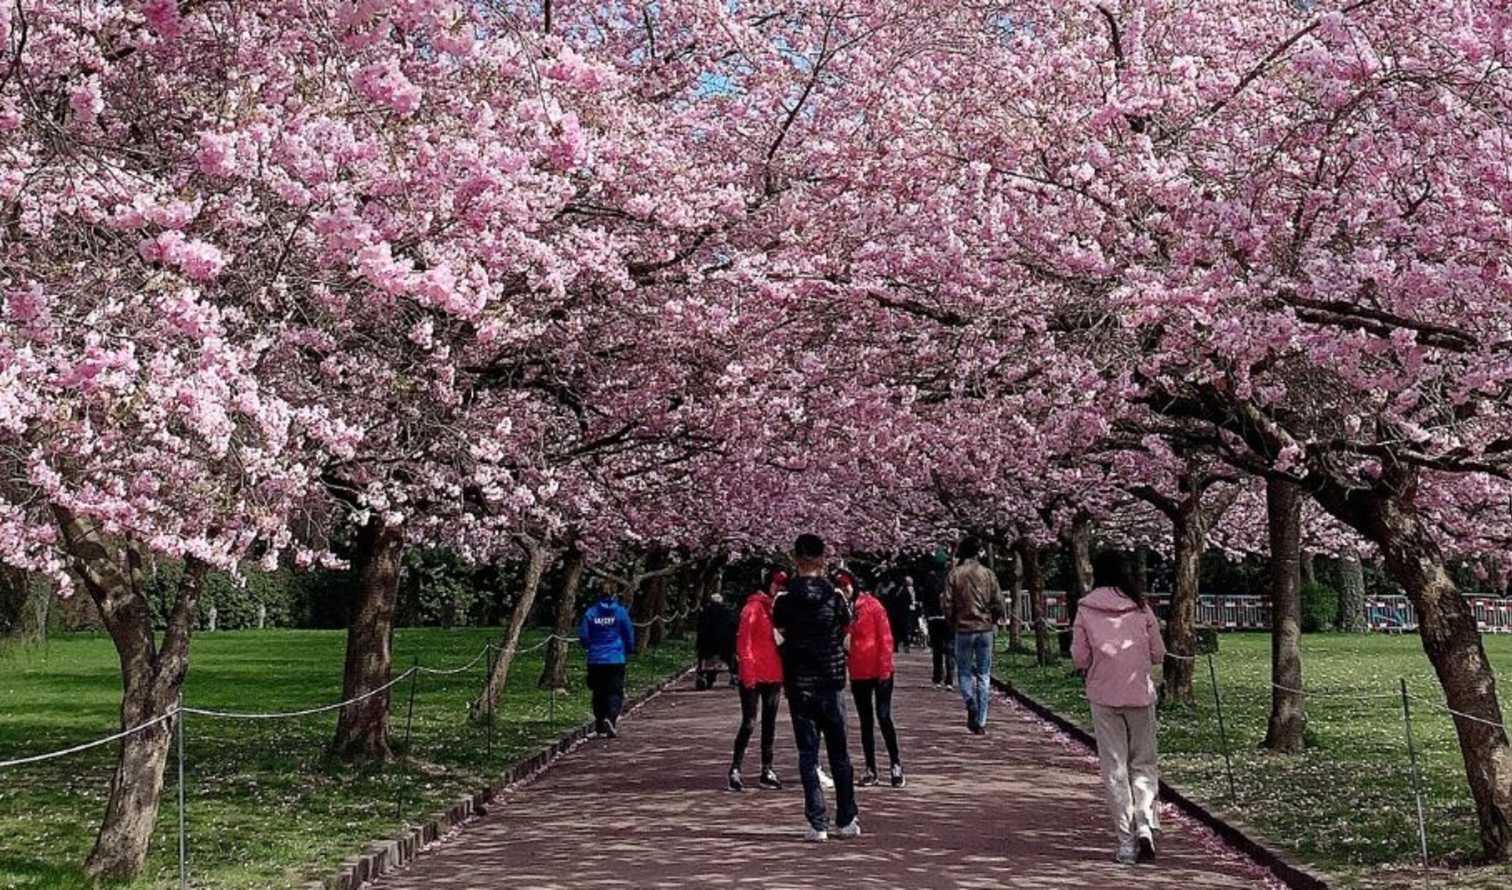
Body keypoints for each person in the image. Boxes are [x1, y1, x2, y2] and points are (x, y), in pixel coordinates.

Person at [1073, 550, 1167, 866]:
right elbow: (1158, 653)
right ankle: (1145, 824)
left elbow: (1079, 658)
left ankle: (1126, 842)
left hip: (1103, 695)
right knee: (1144, 763)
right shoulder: (1141, 607)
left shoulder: (1085, 608)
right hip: (1140, 693)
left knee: (1114, 768)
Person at [772, 533, 860, 842]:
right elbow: (848, 634)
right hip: (831, 680)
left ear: (796, 559)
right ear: (823, 560)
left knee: (808, 753)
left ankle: (816, 823)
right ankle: (847, 819)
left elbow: (778, 636)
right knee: (840, 753)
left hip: (799, 682)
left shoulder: (783, 598)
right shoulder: (836, 596)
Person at [840, 572, 905, 788]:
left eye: (846, 586)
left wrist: (885, 668)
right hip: (859, 672)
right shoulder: (844, 610)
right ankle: (871, 768)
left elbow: (885, 638)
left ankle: (895, 764)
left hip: (879, 671)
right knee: (865, 721)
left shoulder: (873, 606)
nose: (844, 590)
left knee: (884, 717)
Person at [729, 569, 786, 792]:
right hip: (753, 673)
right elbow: (743, 643)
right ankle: (736, 767)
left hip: (774, 674)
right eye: (776, 584)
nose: (779, 588)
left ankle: (767, 768)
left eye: (782, 585)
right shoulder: (752, 608)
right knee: (749, 721)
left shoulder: (779, 609)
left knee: (770, 723)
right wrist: (747, 673)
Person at [945, 536, 1005, 734]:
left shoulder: (954, 575)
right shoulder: (988, 574)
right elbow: (998, 601)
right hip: (985, 628)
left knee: (963, 671)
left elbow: (947, 604)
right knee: (983, 674)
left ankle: (969, 701)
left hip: (963, 629)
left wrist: (953, 621)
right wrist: (994, 619)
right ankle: (981, 720)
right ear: (977, 552)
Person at [578, 587, 634, 738]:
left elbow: (583, 635)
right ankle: (611, 717)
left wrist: (589, 646)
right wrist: (629, 649)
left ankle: (600, 724)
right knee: (615, 691)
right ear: (614, 595)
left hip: (596, 658)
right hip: (615, 658)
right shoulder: (620, 612)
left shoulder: (591, 613)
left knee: (598, 692)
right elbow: (628, 633)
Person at [917, 567, 954, 688]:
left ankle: (937, 678)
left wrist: (926, 615)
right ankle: (949, 680)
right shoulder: (951, 580)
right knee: (949, 650)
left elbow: (924, 601)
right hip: (948, 619)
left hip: (934, 619)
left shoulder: (929, 581)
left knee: (937, 650)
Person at [695, 592, 738, 690]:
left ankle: (704, 676)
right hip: (725, 643)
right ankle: (734, 675)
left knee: (705, 657)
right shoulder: (728, 612)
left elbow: (700, 628)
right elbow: (733, 627)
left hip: (707, 643)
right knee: (731, 657)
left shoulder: (704, 612)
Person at [885, 574, 916, 653]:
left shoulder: (893, 590)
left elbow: (888, 601)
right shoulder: (906, 591)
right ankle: (906, 646)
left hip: (895, 613)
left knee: (895, 630)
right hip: (904, 613)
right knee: (904, 630)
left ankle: (895, 646)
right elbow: (910, 601)